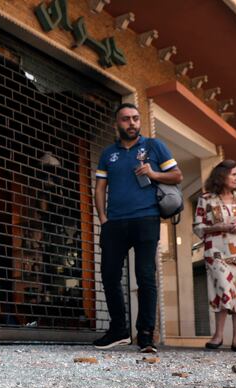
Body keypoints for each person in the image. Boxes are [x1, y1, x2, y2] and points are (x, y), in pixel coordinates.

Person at [93, 103, 182, 353]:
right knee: (110, 275)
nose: (131, 123)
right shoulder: (108, 153)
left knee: (145, 277)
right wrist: (103, 218)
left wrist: (153, 174)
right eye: (125, 119)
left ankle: (145, 335)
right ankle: (119, 331)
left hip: (146, 219)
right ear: (116, 124)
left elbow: (177, 176)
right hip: (115, 222)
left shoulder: (154, 146)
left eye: (135, 118)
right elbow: (100, 187)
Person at [193, 160, 236, 353]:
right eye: (234, 174)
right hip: (216, 252)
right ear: (222, 176)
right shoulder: (206, 199)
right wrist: (218, 227)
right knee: (223, 289)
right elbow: (197, 226)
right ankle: (218, 335)